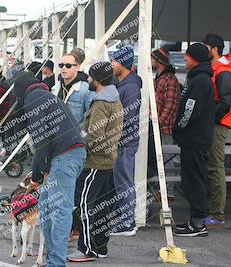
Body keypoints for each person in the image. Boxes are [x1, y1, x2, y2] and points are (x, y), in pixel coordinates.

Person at [13, 71, 86, 267]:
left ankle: (56, 263)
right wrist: (36, 178)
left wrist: (39, 173)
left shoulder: (33, 99)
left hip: (65, 157)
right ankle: (52, 259)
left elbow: (41, 138)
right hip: (65, 156)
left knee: (59, 212)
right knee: (46, 210)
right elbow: (42, 142)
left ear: (20, 93)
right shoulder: (42, 96)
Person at [68, 62, 123, 262]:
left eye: (90, 77)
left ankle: (87, 249)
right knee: (101, 207)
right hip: (106, 162)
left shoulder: (101, 102)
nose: (88, 80)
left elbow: (96, 136)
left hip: (95, 163)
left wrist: (78, 143)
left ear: (97, 80)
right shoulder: (113, 98)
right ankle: (99, 247)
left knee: (84, 205)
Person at [173, 43, 215, 237]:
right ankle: (194, 222)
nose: (184, 59)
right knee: (193, 180)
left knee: (194, 181)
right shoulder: (199, 79)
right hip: (195, 139)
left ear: (195, 58)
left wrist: (179, 127)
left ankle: (198, 224)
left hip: (195, 140)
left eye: (187, 56)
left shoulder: (200, 81)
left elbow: (190, 111)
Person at [110, 46, 142, 236]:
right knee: (120, 181)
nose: (112, 64)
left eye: (114, 60)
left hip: (124, 141)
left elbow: (127, 117)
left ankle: (127, 222)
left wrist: (113, 136)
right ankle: (123, 218)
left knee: (124, 182)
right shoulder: (123, 83)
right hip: (120, 141)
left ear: (123, 63)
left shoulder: (130, 86)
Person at [203, 33, 231, 227]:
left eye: (206, 46)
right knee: (211, 166)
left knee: (215, 166)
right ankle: (213, 210)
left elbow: (226, 100)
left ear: (214, 49)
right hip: (216, 122)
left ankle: (217, 214)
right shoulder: (216, 68)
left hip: (218, 124)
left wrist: (211, 118)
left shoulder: (222, 70)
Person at [148, 47, 180, 201]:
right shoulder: (160, 77)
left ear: (159, 61)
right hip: (158, 126)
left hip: (165, 128)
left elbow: (171, 105)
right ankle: (162, 190)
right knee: (160, 158)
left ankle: (169, 192)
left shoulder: (169, 79)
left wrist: (158, 123)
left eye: (152, 57)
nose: (150, 60)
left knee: (167, 159)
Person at [51, 52, 95, 128]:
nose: (63, 68)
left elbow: (91, 118)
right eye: (61, 65)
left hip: (76, 137)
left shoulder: (86, 89)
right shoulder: (55, 88)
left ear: (78, 67)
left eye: (68, 66)